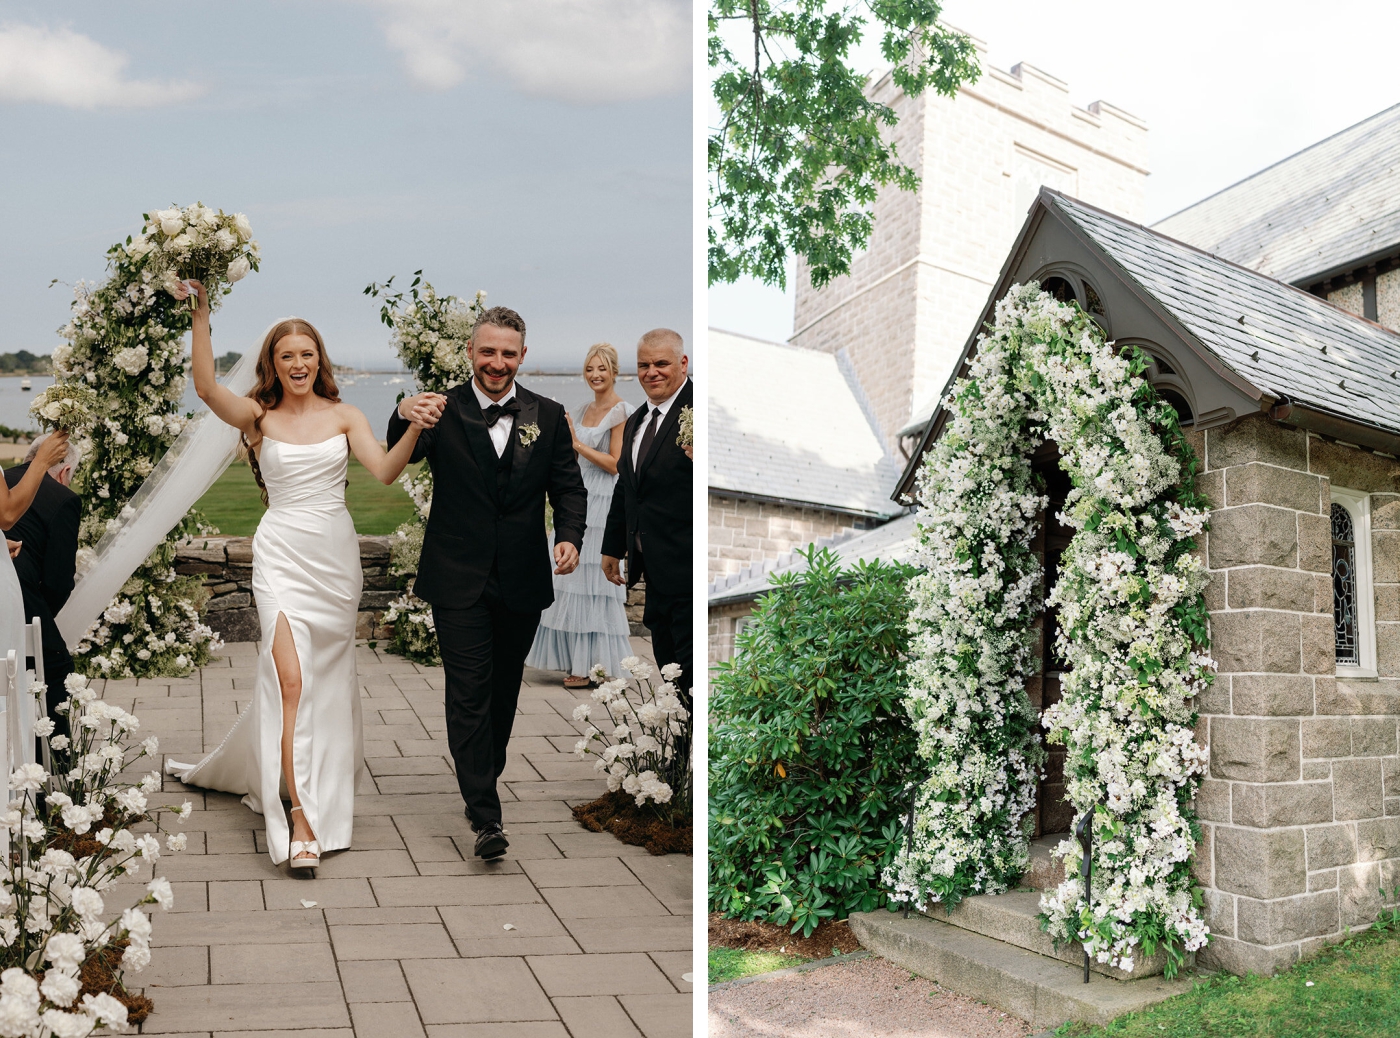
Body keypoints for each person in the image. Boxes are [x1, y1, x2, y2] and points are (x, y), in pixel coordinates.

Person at [165, 280, 429, 874]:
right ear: (273, 365)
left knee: (325, 683)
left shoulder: (346, 415)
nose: (298, 363)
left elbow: (387, 471)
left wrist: (414, 425)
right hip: (281, 553)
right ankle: (301, 819)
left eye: (306, 353)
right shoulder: (257, 417)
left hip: (334, 560)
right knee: (290, 680)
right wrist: (201, 316)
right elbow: (206, 387)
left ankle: (305, 776)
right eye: (287, 355)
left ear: (320, 360)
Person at [389, 306, 588, 860]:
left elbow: (568, 488)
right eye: (487, 351)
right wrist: (404, 408)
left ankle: (482, 776)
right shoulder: (441, 409)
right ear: (471, 353)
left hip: (522, 579)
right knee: (469, 692)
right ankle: (485, 816)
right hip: (457, 578)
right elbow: (397, 451)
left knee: (502, 694)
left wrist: (569, 535)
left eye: (508, 353)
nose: (497, 363)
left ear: (522, 356)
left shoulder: (547, 415)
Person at [525, 343, 636, 688]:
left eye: (601, 368)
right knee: (567, 580)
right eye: (590, 369)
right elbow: (569, 459)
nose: (595, 375)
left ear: (614, 371)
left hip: (604, 499)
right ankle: (571, 660)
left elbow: (617, 464)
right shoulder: (581, 408)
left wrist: (576, 444)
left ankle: (592, 666)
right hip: (579, 494)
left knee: (595, 586)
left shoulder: (622, 411)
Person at [601, 329, 692, 710]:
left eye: (661, 363)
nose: (651, 372)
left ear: (683, 364)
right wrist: (612, 547)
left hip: (688, 569)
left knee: (689, 671)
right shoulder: (638, 420)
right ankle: (686, 748)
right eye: (644, 365)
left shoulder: (701, 410)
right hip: (654, 573)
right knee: (669, 668)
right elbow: (627, 488)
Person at [3, 434, 82, 739]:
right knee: (56, 665)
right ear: (64, 472)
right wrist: (39, 620)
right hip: (18, 592)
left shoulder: (5, 478)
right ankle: (56, 765)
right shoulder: (64, 499)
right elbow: (58, 581)